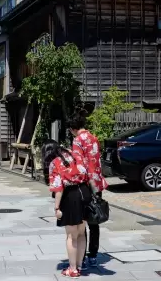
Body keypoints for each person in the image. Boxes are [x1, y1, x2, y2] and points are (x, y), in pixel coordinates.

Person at [68, 111, 109, 268]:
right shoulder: (94, 138)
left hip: (85, 183)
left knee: (82, 220)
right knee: (94, 217)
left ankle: (82, 257)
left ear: (73, 128)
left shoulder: (78, 141)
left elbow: (80, 165)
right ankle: (93, 255)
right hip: (97, 182)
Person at [49, 143, 91, 278]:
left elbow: (58, 188)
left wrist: (56, 207)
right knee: (81, 233)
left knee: (71, 236)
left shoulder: (56, 162)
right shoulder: (79, 157)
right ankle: (79, 266)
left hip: (70, 196)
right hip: (85, 193)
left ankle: (72, 269)